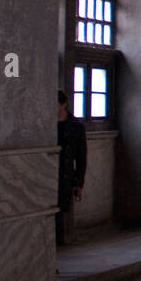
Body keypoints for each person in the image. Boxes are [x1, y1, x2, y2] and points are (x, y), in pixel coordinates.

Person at [56, 90, 87, 245]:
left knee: (60, 210)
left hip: (65, 174)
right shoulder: (44, 124)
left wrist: (78, 183)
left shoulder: (75, 127)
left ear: (63, 105)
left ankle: (58, 243)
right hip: (49, 172)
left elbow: (81, 157)